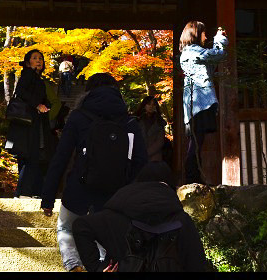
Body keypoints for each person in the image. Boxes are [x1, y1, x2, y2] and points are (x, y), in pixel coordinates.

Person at [40, 73, 149, 272]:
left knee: (66, 228)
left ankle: (74, 266)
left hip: (78, 191)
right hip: (114, 195)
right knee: (104, 235)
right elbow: (141, 161)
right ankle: (103, 266)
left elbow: (61, 158)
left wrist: (48, 198)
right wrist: (127, 189)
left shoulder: (78, 117)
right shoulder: (129, 122)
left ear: (88, 91)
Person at [73, 161, 212, 272]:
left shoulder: (115, 215)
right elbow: (197, 264)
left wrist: (97, 268)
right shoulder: (182, 220)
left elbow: (81, 226)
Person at [179, 21, 227, 185]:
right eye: (204, 33)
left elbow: (212, 62)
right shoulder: (193, 51)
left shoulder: (190, 52)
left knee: (197, 141)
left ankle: (194, 177)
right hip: (200, 103)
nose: (206, 36)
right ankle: (192, 178)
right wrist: (219, 38)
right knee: (197, 141)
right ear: (196, 34)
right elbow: (218, 55)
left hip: (195, 103)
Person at [6, 48, 53, 198]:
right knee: (30, 157)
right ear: (27, 62)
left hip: (33, 122)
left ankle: (26, 192)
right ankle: (23, 192)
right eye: (34, 58)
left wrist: (45, 105)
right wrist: (37, 105)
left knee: (32, 157)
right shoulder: (28, 74)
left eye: (40, 58)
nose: (39, 60)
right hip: (27, 124)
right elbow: (20, 91)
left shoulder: (38, 79)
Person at [135, 96, 169, 164]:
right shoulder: (137, 120)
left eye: (153, 104)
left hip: (154, 158)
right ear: (144, 105)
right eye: (148, 104)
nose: (151, 106)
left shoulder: (159, 122)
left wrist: (146, 153)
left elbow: (160, 142)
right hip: (138, 156)